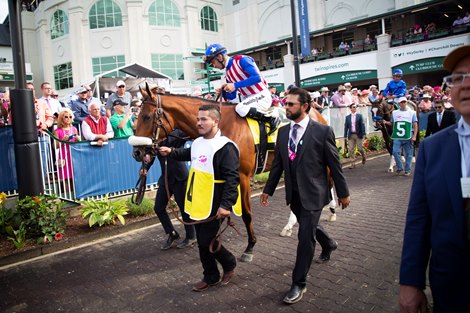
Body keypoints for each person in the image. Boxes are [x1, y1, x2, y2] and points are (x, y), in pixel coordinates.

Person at [260, 87, 350, 304]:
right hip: (294, 194)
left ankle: (298, 283)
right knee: (308, 227)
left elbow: (334, 166)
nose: (286, 107)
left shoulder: (321, 131)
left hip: (314, 193)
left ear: (305, 106)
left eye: (291, 104)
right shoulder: (282, 132)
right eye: (285, 103)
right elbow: (278, 166)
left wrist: (343, 193)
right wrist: (267, 190)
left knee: (304, 237)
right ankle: (328, 243)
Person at [399, 44, 470, 313]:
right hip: (451, 287)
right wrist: (410, 281)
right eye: (457, 78)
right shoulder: (434, 148)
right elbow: (419, 217)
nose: (465, 84)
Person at [159, 104, 239, 292]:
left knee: (205, 241)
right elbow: (188, 154)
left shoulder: (225, 147)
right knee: (205, 241)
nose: (199, 123)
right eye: (198, 119)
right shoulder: (197, 142)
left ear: (215, 121)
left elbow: (232, 179)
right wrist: (171, 152)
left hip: (215, 201)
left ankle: (225, 265)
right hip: (196, 201)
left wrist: (226, 205)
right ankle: (212, 274)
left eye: (204, 119)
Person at [203, 43, 279, 134]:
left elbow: (257, 78)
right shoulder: (227, 73)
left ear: (219, 57)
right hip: (247, 98)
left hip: (261, 95)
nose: (213, 66)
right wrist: (224, 91)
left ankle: (271, 119)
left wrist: (234, 85)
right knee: (229, 108)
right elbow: (232, 96)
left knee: (240, 108)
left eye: (213, 62)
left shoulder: (242, 60)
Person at [140, 129, 196, 250]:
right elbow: (150, 155)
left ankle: (191, 236)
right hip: (165, 178)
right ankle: (172, 233)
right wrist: (145, 168)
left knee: (184, 208)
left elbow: (191, 133)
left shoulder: (177, 132)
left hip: (180, 177)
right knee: (158, 207)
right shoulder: (155, 137)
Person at [387, 97, 418, 176]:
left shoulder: (412, 112)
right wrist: (384, 122)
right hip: (397, 135)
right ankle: (399, 167)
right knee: (395, 151)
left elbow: (415, 125)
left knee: (409, 154)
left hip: (408, 135)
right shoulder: (395, 113)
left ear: (406, 103)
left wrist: (414, 136)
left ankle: (407, 170)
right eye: (401, 102)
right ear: (399, 104)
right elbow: (392, 123)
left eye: (404, 102)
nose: (403, 103)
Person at [53, 109, 80, 191]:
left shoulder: (74, 129)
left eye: (70, 117)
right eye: (66, 117)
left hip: (73, 154)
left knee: (74, 176)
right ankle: (68, 195)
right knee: (66, 177)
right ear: (61, 118)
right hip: (64, 155)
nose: (68, 118)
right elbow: (55, 146)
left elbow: (78, 142)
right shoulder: (57, 131)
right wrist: (63, 141)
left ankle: (76, 195)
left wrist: (78, 139)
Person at [344, 104, 366, 168]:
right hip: (351, 135)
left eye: (355, 107)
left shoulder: (359, 116)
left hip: (358, 134)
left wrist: (364, 133)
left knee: (360, 148)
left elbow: (362, 125)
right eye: (353, 107)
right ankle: (352, 163)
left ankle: (363, 155)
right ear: (350, 109)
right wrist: (345, 135)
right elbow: (346, 127)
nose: (355, 108)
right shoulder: (347, 117)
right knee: (351, 149)